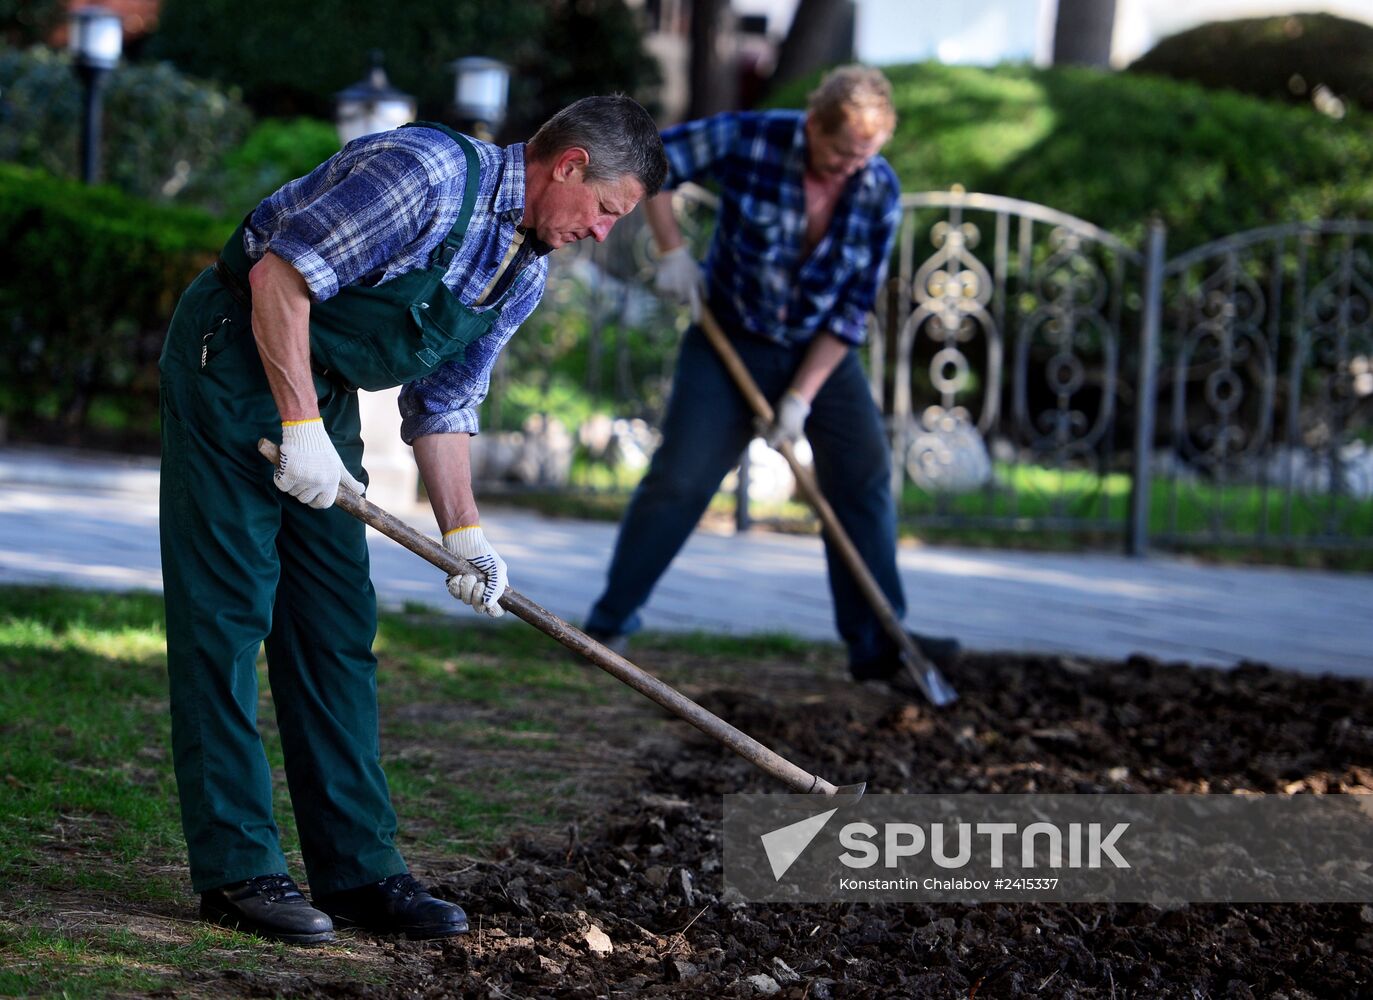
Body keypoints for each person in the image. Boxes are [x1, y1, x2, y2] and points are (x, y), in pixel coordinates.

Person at [158, 96, 666, 945]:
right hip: (235, 360)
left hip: (314, 396)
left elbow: (445, 403)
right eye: (607, 210)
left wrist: (464, 534)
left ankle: (358, 871)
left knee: (335, 627)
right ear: (569, 165)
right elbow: (276, 279)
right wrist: (299, 430)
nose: (603, 233)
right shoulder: (426, 176)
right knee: (228, 617)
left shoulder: (522, 268)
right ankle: (237, 867)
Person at [584, 66, 958, 690]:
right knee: (680, 480)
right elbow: (655, 162)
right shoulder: (754, 136)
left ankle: (879, 648)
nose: (849, 167)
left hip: (820, 354)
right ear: (814, 125)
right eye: (840, 151)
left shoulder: (877, 191)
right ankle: (607, 624)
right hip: (729, 338)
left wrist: (798, 400)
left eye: (864, 156)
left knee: (862, 475)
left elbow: (851, 308)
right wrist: (672, 249)